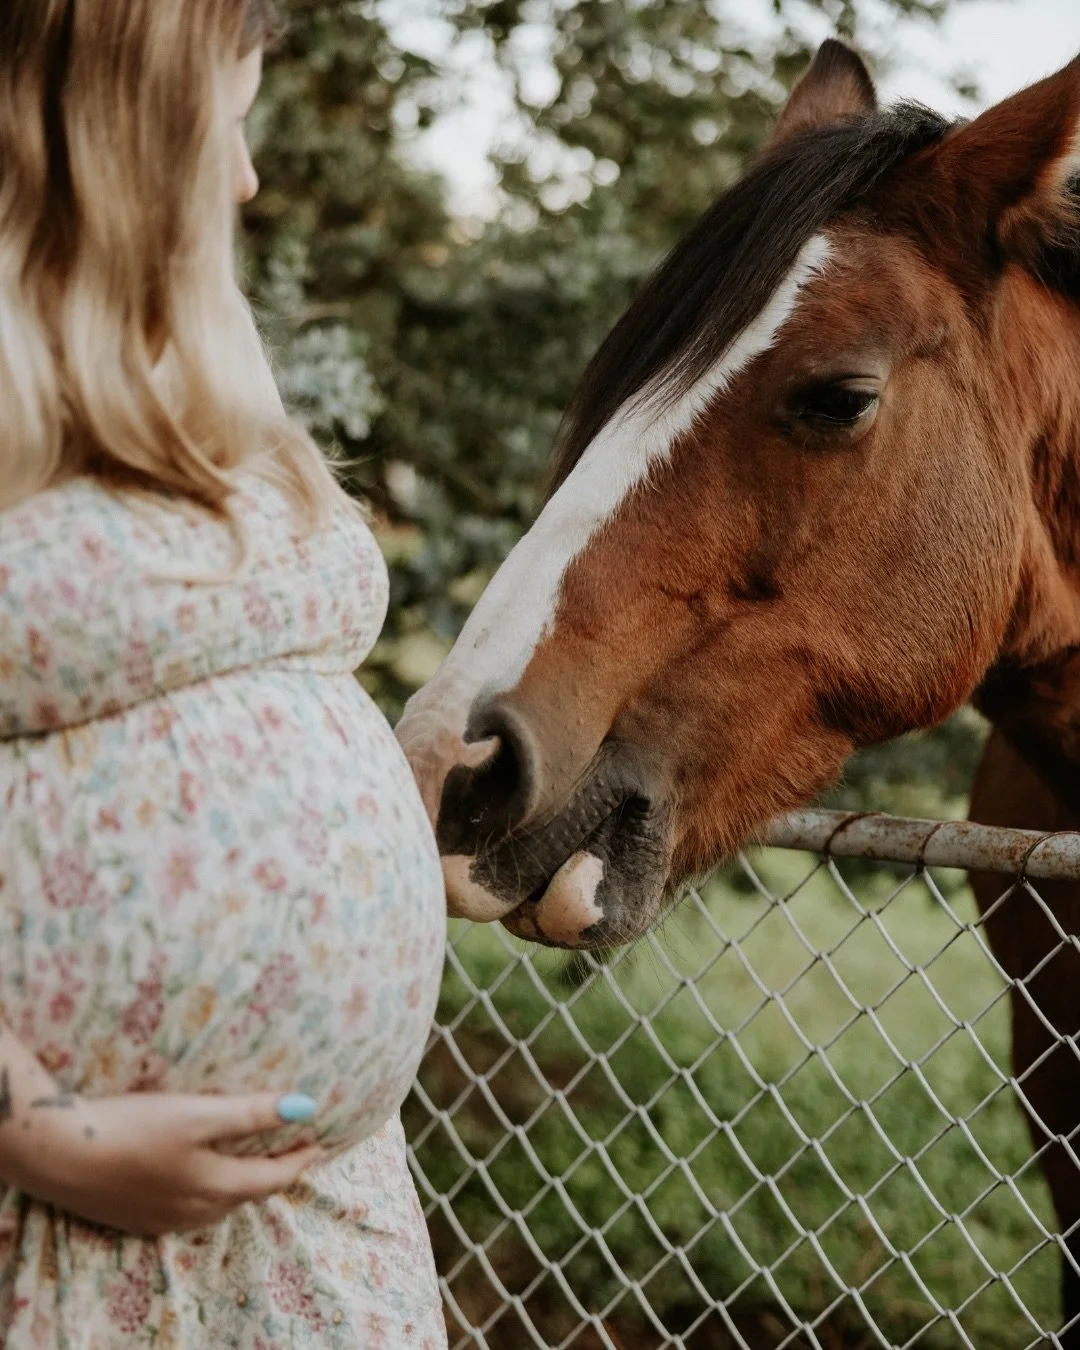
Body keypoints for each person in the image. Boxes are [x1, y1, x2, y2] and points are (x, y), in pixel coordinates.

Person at [0, 1, 448, 1345]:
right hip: (55, 1243)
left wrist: (417, 841)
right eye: (233, 126)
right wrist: (36, 1130)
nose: (247, 179)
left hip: (313, 1240)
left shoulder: (203, 398)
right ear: (117, 138)